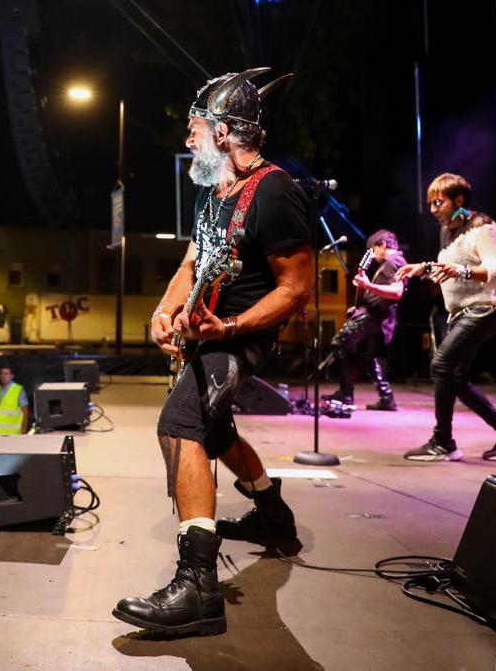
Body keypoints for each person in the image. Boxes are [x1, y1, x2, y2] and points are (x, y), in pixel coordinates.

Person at [113, 68, 310, 637]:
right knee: (216, 430)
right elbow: (191, 264)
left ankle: (198, 587)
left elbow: (296, 289)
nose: (188, 139)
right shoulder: (211, 193)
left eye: (195, 128)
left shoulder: (275, 191)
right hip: (209, 332)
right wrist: (164, 312)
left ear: (224, 132)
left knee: (180, 424)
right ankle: (274, 516)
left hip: (242, 337)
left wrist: (227, 329)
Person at [395, 172, 496, 461]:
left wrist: (463, 271)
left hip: (484, 309)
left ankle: (443, 442)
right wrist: (423, 266)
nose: (432, 210)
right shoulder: (448, 231)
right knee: (455, 378)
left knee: (441, 364)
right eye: (430, 204)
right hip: (460, 314)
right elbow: (449, 267)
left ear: (458, 200)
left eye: (438, 202)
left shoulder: (482, 226)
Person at [325, 229, 408, 411]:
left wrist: (368, 285)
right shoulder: (392, 264)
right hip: (375, 315)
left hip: (373, 316)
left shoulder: (394, 262)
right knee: (366, 356)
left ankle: (346, 394)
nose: (372, 254)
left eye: (373, 249)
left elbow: (397, 292)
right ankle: (386, 397)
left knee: (339, 342)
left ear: (383, 245)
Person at [0, 365, 29, 435]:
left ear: (12, 376)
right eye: (2, 373)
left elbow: (25, 412)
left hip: (13, 435)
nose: (3, 376)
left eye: (6, 374)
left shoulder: (18, 390)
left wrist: (24, 432)